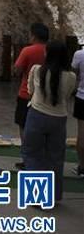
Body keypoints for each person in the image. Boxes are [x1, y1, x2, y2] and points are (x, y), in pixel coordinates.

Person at [22, 40, 76, 202]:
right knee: (55, 157)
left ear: (48, 54)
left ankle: (37, 197)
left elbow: (30, 91)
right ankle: (54, 195)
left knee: (33, 155)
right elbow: (67, 96)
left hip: (37, 114)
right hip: (59, 118)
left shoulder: (37, 70)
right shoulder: (71, 76)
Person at [13, 22, 49, 169]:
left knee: (24, 127)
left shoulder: (27, 51)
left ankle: (27, 159)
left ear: (33, 35)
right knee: (43, 128)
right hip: (47, 95)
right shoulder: (52, 51)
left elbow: (17, 70)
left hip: (26, 94)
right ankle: (43, 158)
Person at [70, 45, 84, 178]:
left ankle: (82, 166)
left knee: (82, 133)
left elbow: (73, 74)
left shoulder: (79, 54)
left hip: (82, 97)